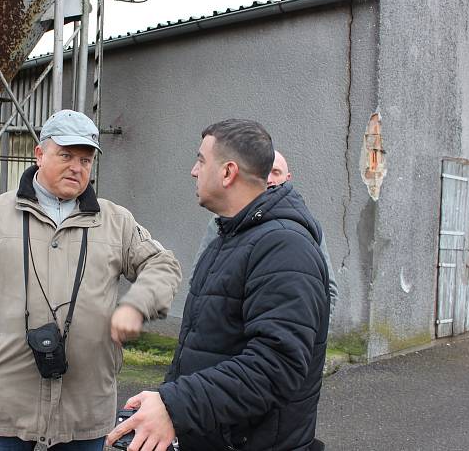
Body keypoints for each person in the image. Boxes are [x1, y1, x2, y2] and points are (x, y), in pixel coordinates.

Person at [0, 110, 182, 450]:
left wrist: (137, 305)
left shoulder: (116, 222)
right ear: (39, 154)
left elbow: (162, 264)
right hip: (3, 400)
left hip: (84, 403)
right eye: (65, 155)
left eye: (86, 159)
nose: (76, 167)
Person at [107, 119, 330, 451]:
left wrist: (175, 405)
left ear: (227, 173)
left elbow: (275, 366)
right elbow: (205, 347)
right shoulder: (229, 239)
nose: (193, 171)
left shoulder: (284, 247)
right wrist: (165, 403)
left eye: (200, 160)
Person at [192, 149, 339, 314]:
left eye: (276, 172)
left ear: (287, 178)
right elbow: (199, 277)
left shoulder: (305, 225)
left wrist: (313, 336)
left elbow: (329, 291)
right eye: (266, 172)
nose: (270, 179)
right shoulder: (223, 219)